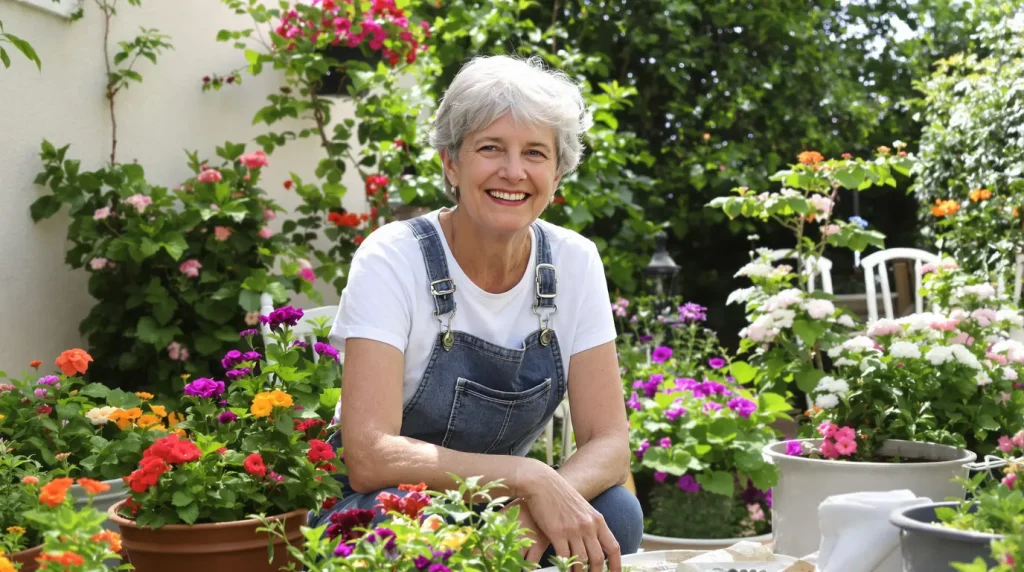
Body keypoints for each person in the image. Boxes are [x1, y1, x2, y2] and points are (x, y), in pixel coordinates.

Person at [316, 54, 643, 570]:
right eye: (491, 148)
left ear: (558, 172)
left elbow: (610, 441)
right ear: (452, 162)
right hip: (387, 500)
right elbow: (369, 455)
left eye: (535, 152)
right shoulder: (393, 257)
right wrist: (529, 479)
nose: (513, 172)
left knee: (616, 514)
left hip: (498, 503)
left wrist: (535, 508)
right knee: (386, 531)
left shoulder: (575, 262)